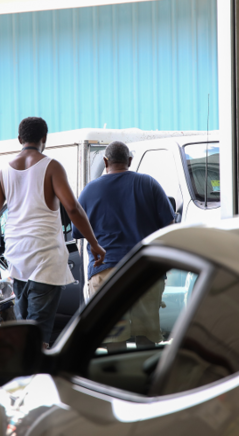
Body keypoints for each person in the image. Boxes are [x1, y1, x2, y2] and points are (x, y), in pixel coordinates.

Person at [0, 117, 105, 347]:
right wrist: (94, 244)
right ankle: (34, 379)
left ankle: (24, 378)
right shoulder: (52, 167)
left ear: (20, 139)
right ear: (44, 139)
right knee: (38, 337)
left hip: (17, 260)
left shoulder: (4, 172)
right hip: (46, 260)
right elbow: (73, 208)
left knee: (24, 332)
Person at [73, 140, 174, 347]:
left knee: (112, 337)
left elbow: (77, 232)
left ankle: (116, 378)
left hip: (106, 273)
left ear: (105, 161)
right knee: (146, 337)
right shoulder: (149, 184)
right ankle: (144, 377)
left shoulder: (89, 191)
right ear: (129, 160)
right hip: (145, 272)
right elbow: (170, 226)